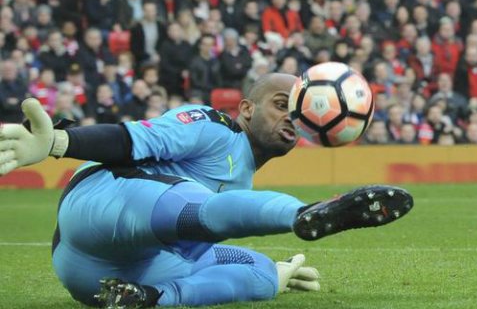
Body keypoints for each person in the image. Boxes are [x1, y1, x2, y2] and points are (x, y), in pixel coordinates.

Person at [0, 74, 414, 307]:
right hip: (99, 209)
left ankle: (153, 299)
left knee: (264, 274)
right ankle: (302, 214)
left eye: (301, 110)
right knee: (197, 207)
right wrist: (59, 143)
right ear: (247, 109)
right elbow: (129, 141)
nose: (293, 116)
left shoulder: (241, 175)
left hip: (105, 278)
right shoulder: (213, 126)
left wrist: (276, 273)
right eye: (281, 103)